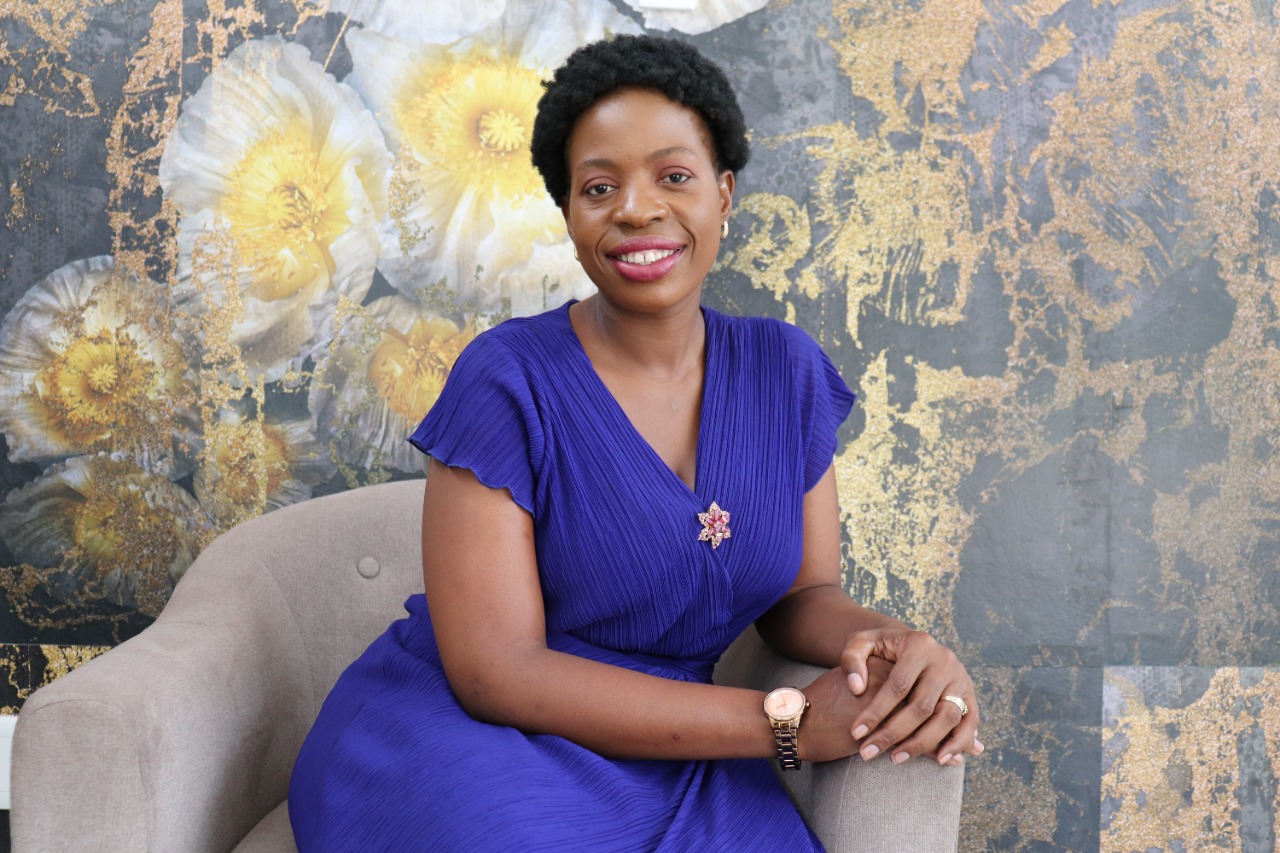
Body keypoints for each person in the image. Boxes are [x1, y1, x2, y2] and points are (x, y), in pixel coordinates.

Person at [289, 34, 981, 851]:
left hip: (679, 744)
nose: (636, 209)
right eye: (599, 186)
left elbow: (801, 599)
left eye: (674, 176)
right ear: (569, 214)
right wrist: (785, 721)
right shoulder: (506, 378)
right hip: (471, 739)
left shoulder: (785, 370)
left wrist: (891, 645)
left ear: (724, 193)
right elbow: (498, 672)